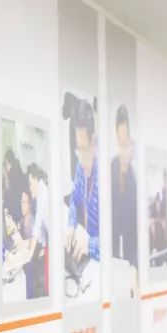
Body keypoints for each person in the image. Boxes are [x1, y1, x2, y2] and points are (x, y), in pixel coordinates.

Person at [66, 99, 100, 264]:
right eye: (77, 150)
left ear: (93, 142)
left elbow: (117, 244)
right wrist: (71, 224)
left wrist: (90, 245)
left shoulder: (107, 177)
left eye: (83, 149)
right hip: (86, 260)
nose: (80, 157)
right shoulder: (80, 168)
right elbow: (74, 199)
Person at [110, 106, 138, 269]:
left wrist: (134, 265)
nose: (123, 151)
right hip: (111, 254)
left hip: (129, 257)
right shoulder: (110, 172)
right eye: (120, 144)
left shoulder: (134, 180)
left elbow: (136, 228)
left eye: (126, 144)